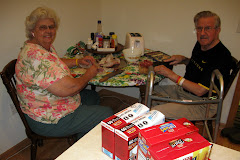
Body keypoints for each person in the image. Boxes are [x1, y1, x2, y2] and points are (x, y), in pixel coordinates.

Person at [15, 6, 113, 140]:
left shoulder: (39, 47)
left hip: (53, 103)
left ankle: (82, 136)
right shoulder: (36, 57)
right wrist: (89, 74)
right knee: (107, 113)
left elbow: (55, 61)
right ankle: (82, 144)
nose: (49, 31)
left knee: (93, 96)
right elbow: (70, 89)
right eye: (43, 27)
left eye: (51, 27)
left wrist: (78, 62)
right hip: (48, 119)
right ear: (32, 30)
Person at [152, 11, 232, 120]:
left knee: (155, 112)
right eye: (199, 28)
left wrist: (171, 75)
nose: (202, 33)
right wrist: (184, 60)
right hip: (184, 92)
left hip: (203, 104)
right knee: (150, 91)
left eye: (208, 28)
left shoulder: (222, 56)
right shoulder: (201, 44)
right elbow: (201, 67)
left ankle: (168, 129)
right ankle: (161, 129)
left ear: (218, 30)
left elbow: (200, 90)